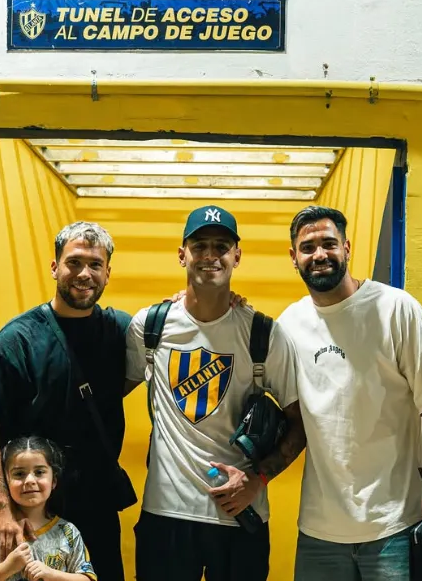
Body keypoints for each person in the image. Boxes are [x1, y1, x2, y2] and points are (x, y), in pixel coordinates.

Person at [124, 205, 307, 581]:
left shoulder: (263, 334)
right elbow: (107, 396)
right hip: (166, 516)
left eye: (221, 247)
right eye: (200, 246)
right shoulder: (150, 327)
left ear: (237, 256)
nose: (210, 255)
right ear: (182, 255)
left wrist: (257, 479)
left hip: (239, 517)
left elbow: (300, 423)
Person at [277, 205, 422, 581]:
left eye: (329, 243)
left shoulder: (396, 308)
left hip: (394, 525)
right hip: (320, 531)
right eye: (308, 247)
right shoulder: (289, 325)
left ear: (347, 248)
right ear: (293, 257)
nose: (319, 254)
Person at [0, 222, 130, 581]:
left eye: (95, 265)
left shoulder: (121, 331)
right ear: (55, 267)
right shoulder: (18, 340)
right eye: (74, 262)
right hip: (29, 508)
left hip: (96, 505)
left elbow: (178, 327)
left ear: (108, 273)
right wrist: (4, 507)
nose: (84, 274)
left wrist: (187, 301)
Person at [0, 436, 97, 581]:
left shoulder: (67, 532)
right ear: (6, 481)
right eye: (19, 474)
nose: (29, 480)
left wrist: (51, 574)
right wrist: (7, 569)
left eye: (39, 472)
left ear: (53, 481)